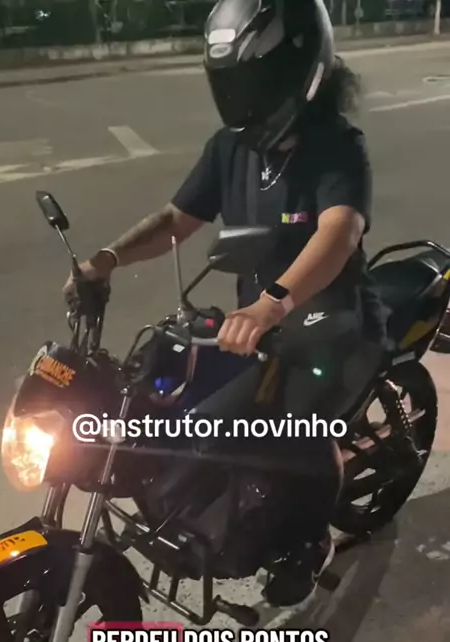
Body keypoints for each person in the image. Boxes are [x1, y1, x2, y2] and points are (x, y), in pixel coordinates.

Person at [64, 0, 387, 610]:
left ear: (299, 67)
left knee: (297, 426)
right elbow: (176, 220)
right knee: (193, 417)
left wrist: (273, 303)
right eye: (233, 82)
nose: (243, 97)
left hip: (332, 321)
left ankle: (311, 539)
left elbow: (338, 232)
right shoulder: (231, 147)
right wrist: (105, 260)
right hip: (260, 326)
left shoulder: (337, 144)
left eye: (255, 80)